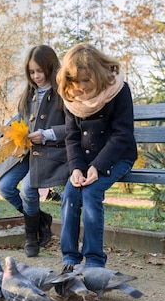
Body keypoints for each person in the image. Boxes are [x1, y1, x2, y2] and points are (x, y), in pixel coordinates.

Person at [57, 43, 137, 270]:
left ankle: (94, 261)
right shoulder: (71, 101)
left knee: (91, 192)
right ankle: (70, 259)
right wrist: (76, 169)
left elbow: (122, 134)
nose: (82, 89)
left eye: (87, 82)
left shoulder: (119, 90)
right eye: (76, 84)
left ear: (99, 75)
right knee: (70, 194)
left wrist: (98, 167)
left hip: (117, 157)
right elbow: (72, 137)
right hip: (84, 162)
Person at [0, 44, 69, 258]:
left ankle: (31, 237)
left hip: (53, 153)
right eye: (31, 72)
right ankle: (41, 220)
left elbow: (72, 127)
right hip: (28, 152)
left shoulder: (62, 93)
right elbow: (21, 118)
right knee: (5, 186)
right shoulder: (29, 94)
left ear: (51, 67)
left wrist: (46, 134)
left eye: (39, 71)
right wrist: (8, 133)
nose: (36, 76)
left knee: (28, 188)